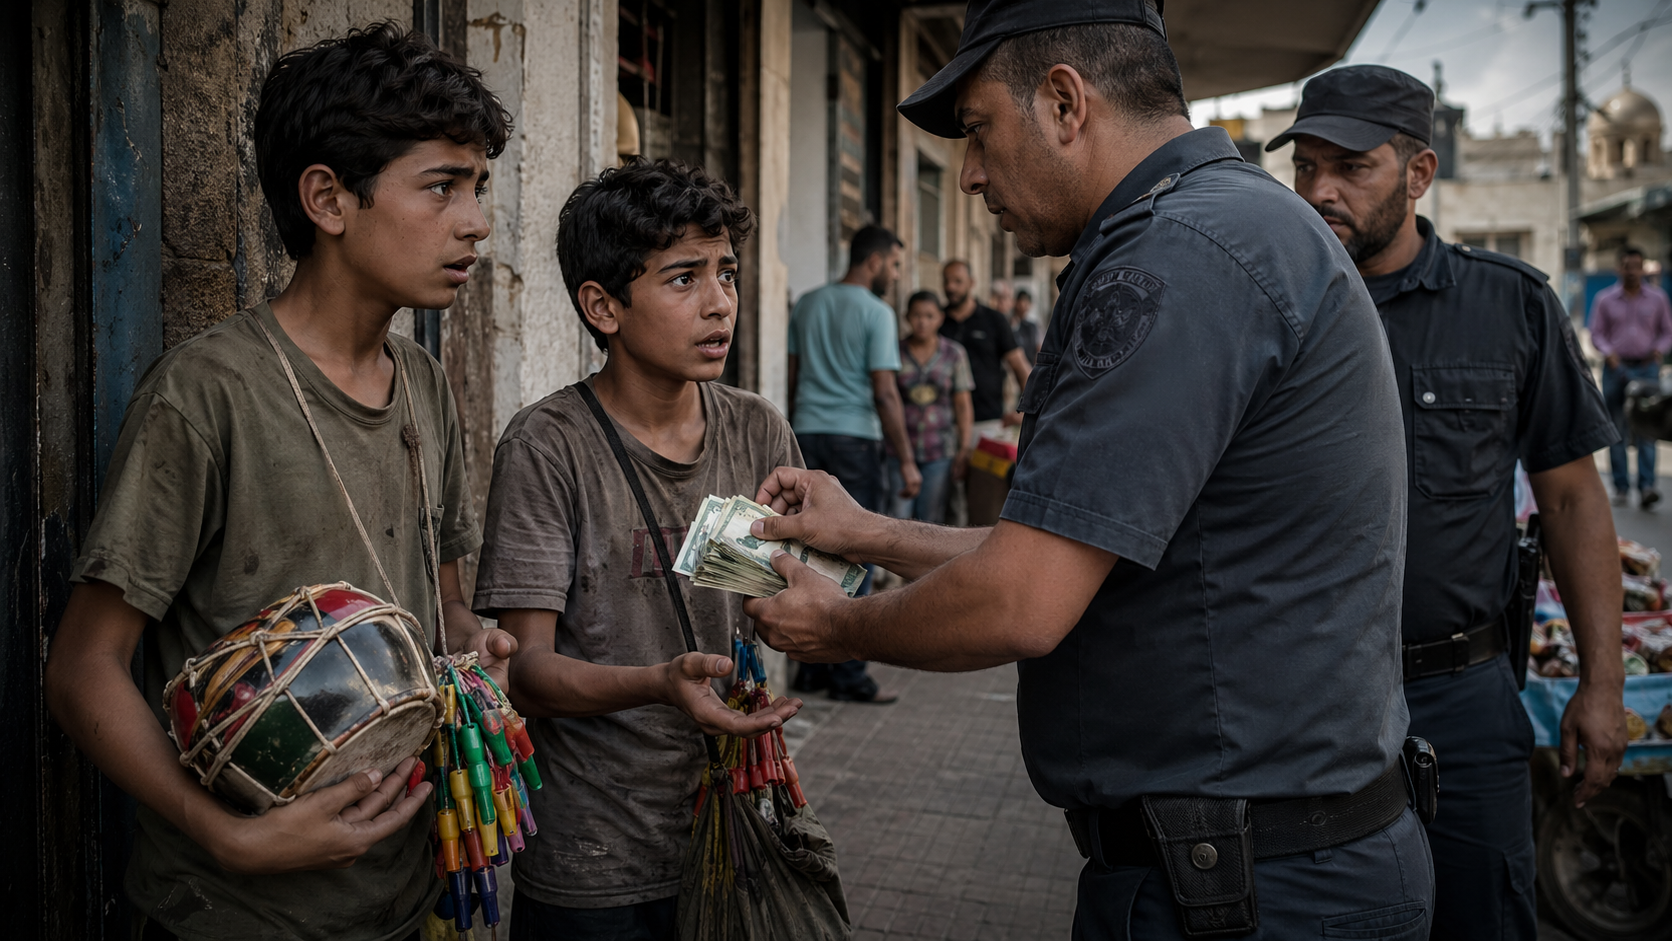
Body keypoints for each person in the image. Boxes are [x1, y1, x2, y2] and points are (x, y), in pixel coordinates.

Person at [744, 2, 1432, 937]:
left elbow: (1022, 597)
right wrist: (863, 530)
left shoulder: (1179, 254)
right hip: (1252, 864)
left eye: (981, 131)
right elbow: (1066, 548)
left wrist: (839, 623)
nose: (974, 175)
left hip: (1256, 884)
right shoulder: (1212, 228)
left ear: (1065, 103)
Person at [43, 24, 519, 941]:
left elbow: (447, 608)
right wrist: (226, 836)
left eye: (480, 187)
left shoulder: (423, 383)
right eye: (442, 186)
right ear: (328, 199)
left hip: (408, 899)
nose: (476, 221)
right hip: (239, 913)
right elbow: (81, 668)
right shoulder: (208, 394)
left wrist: (476, 650)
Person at [1282, 64, 1626, 941]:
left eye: (1351, 167)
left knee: (1480, 914)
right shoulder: (1271, 309)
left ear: (1419, 172)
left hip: (1462, 699)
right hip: (1300, 697)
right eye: (1306, 166)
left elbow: (1575, 503)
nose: (1321, 191)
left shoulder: (1508, 306)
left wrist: (1602, 682)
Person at [470, 159, 802, 940]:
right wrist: (659, 682)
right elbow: (528, 672)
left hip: (732, 832)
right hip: (595, 857)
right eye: (683, 278)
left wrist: (818, 593)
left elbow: (777, 612)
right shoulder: (548, 446)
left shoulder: (757, 429)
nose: (721, 303)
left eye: (726, 272)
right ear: (602, 305)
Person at [784, 224, 917, 703]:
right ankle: (849, 674)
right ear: (875, 261)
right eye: (895, 265)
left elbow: (793, 377)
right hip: (856, 441)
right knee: (854, 551)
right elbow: (884, 391)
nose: (896, 275)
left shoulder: (807, 303)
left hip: (808, 434)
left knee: (808, 550)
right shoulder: (878, 313)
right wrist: (906, 460)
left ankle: (810, 670)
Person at [1590, 245, 1672, 508]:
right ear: (1619, 268)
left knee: (1648, 426)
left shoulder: (1658, 299)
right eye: (1627, 266)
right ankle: (1621, 486)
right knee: (1617, 429)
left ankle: (1647, 486)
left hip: (1647, 369)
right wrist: (1608, 352)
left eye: (1637, 266)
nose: (1633, 272)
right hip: (1616, 370)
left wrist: (1660, 349)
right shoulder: (1604, 299)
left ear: (1643, 269)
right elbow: (1596, 333)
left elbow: (1667, 331)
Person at [886, 291, 975, 523]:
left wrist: (964, 449)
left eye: (929, 316)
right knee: (897, 519)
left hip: (940, 452)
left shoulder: (954, 354)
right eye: (916, 315)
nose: (922, 322)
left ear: (940, 319)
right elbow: (885, 398)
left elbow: (963, 405)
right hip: (899, 450)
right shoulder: (894, 352)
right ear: (906, 317)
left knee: (931, 520)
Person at [942, 259, 1031, 424]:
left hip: (988, 420)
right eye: (946, 281)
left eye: (957, 281)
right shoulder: (937, 321)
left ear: (971, 282)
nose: (950, 287)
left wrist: (1029, 412)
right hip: (944, 422)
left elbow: (1020, 366)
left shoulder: (994, 320)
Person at [1011, 288, 1042, 364]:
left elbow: (1038, 347)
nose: (1024, 305)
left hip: (1030, 365)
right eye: (1022, 301)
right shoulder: (1010, 323)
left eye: (1027, 302)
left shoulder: (1032, 326)